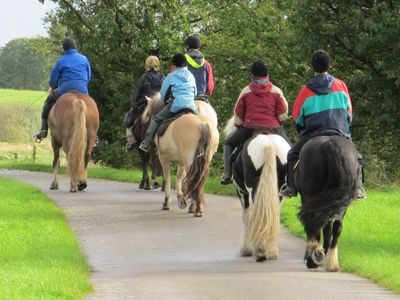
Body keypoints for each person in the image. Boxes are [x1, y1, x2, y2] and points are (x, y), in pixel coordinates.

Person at [279, 50, 366, 199]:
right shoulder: (341, 85)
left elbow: (298, 118)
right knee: (357, 157)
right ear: (329, 65)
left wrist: (303, 129)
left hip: (312, 134)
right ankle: (358, 187)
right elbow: (348, 114)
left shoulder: (305, 90)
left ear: (313, 67)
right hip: (340, 132)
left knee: (292, 154)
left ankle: (291, 187)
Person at [220, 60, 291, 185]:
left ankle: (227, 174)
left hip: (249, 128)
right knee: (292, 150)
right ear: (267, 75)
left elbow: (238, 115)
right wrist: (278, 122)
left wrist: (239, 125)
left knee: (228, 144)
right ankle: (293, 179)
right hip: (273, 127)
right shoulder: (276, 91)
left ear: (252, 75)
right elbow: (283, 114)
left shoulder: (246, 91)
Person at [35, 37, 91, 141]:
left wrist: (55, 87)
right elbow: (88, 76)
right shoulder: (84, 58)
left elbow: (53, 82)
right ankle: (94, 135)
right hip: (83, 90)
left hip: (64, 90)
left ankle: (43, 130)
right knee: (92, 107)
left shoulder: (61, 61)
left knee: (47, 103)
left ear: (64, 49)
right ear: (75, 46)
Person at [139, 53, 197, 153]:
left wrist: (166, 101)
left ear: (174, 65)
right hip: (191, 106)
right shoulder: (191, 75)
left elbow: (162, 94)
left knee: (156, 119)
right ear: (186, 64)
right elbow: (195, 92)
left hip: (176, 105)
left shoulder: (171, 76)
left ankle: (146, 142)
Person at [124, 56, 164, 151]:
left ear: (147, 65)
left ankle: (131, 141)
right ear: (157, 64)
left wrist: (134, 106)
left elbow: (136, 94)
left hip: (145, 104)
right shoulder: (162, 77)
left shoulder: (144, 78)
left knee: (127, 119)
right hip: (160, 105)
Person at [182, 35, 214, 100]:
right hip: (202, 98)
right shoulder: (206, 64)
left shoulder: (180, 61)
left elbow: (172, 80)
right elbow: (210, 87)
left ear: (187, 46)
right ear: (198, 47)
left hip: (184, 98)